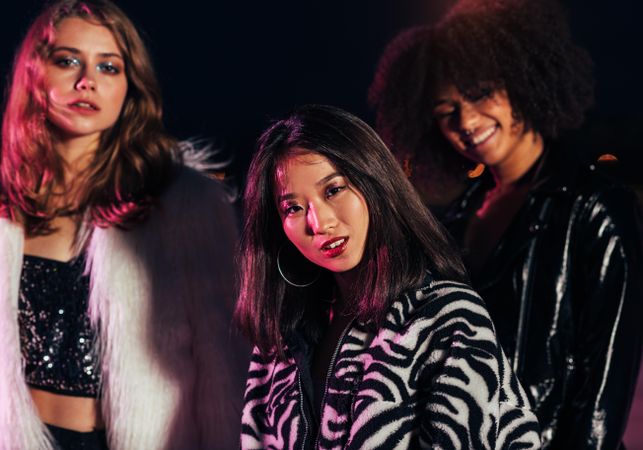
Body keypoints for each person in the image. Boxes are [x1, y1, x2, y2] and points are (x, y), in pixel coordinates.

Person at [369, 0, 643, 448]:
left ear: (522, 77)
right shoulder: (456, 220)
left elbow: (602, 389)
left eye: (479, 93)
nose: (467, 122)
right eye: (445, 110)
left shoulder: (595, 207)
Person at [0, 1, 245, 449]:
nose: (86, 80)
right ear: (35, 72)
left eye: (109, 67)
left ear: (129, 87)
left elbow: (224, 365)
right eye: (68, 60)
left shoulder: (185, 205)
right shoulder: (6, 205)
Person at [235, 104, 541, 449]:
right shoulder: (283, 336)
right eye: (293, 207)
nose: (319, 223)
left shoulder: (448, 316)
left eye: (333, 190)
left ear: (374, 183)